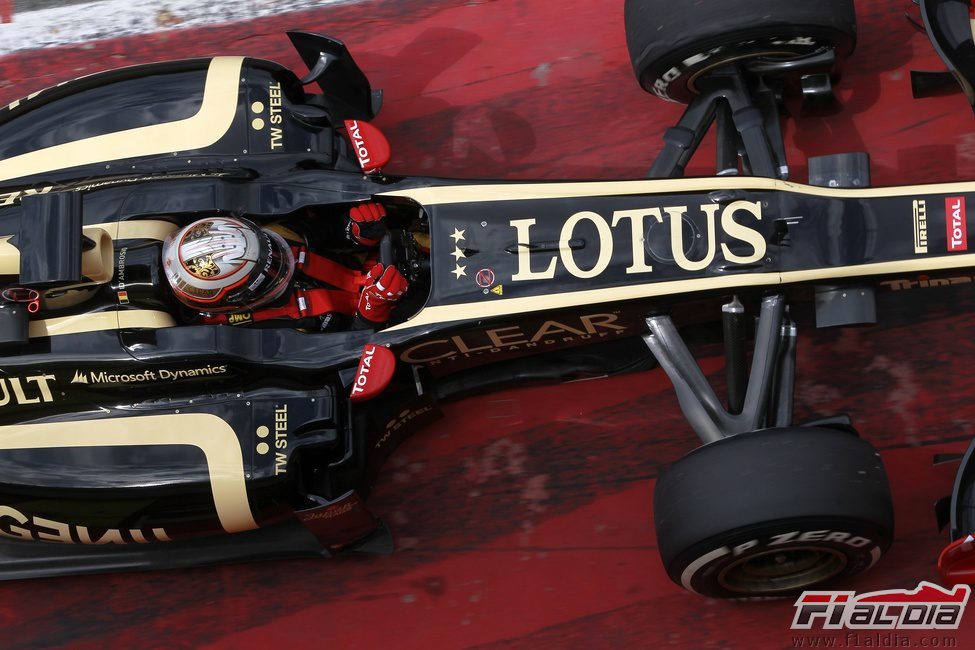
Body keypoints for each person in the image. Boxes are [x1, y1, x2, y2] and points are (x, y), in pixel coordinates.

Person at [161, 202, 408, 330]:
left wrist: (357, 232)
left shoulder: (272, 238)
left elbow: (327, 230)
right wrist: (372, 311)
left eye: (273, 252)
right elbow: (346, 359)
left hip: (374, 266)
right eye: (267, 274)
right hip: (389, 316)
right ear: (238, 300)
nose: (281, 262)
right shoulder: (254, 333)